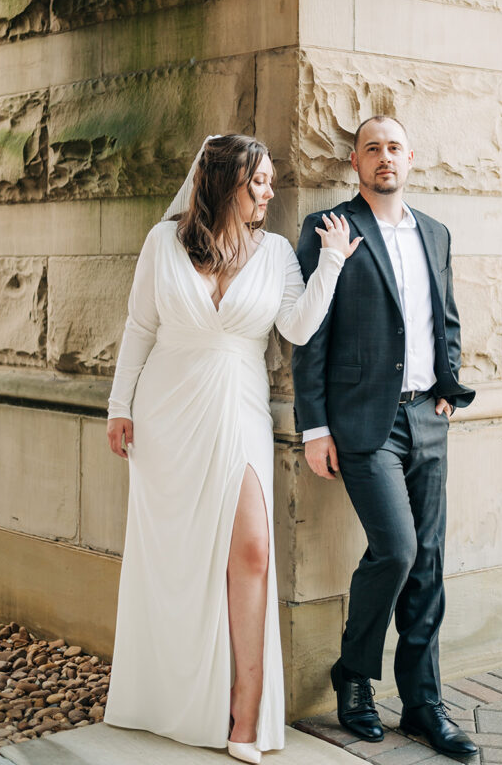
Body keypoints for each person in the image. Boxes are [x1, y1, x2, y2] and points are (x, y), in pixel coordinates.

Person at [103, 133, 360, 764]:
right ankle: (179, 697)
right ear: (223, 182)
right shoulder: (163, 243)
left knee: (250, 547)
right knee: (179, 560)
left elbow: (297, 326)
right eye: (259, 181)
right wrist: (119, 405)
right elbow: (140, 327)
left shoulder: (275, 252)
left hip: (239, 406)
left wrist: (330, 264)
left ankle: (245, 711)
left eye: (271, 180)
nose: (269, 192)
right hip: (166, 414)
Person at [292, 116, 478, 759]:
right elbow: (309, 334)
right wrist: (314, 425)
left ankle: (423, 703)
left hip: (429, 416)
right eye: (372, 148)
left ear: (411, 157)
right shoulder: (329, 229)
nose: (384, 157)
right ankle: (353, 675)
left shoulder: (436, 232)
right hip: (364, 424)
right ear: (355, 160)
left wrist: (449, 387)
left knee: (427, 563)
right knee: (396, 551)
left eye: (394, 147)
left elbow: (444, 317)